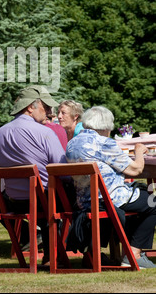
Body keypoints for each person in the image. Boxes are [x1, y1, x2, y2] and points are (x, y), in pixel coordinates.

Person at [66, 105, 156, 269]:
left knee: (140, 198)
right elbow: (135, 169)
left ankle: (121, 253)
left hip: (84, 201)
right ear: (106, 127)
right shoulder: (104, 143)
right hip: (108, 198)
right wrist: (139, 151)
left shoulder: (72, 143)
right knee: (152, 202)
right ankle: (133, 255)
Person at [0, 85, 71, 265]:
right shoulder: (45, 132)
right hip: (45, 199)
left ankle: (52, 254)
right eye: (46, 106)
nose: (50, 112)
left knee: (47, 197)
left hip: (15, 202)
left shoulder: (0, 133)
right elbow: (62, 170)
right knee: (83, 197)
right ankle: (87, 252)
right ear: (30, 107)